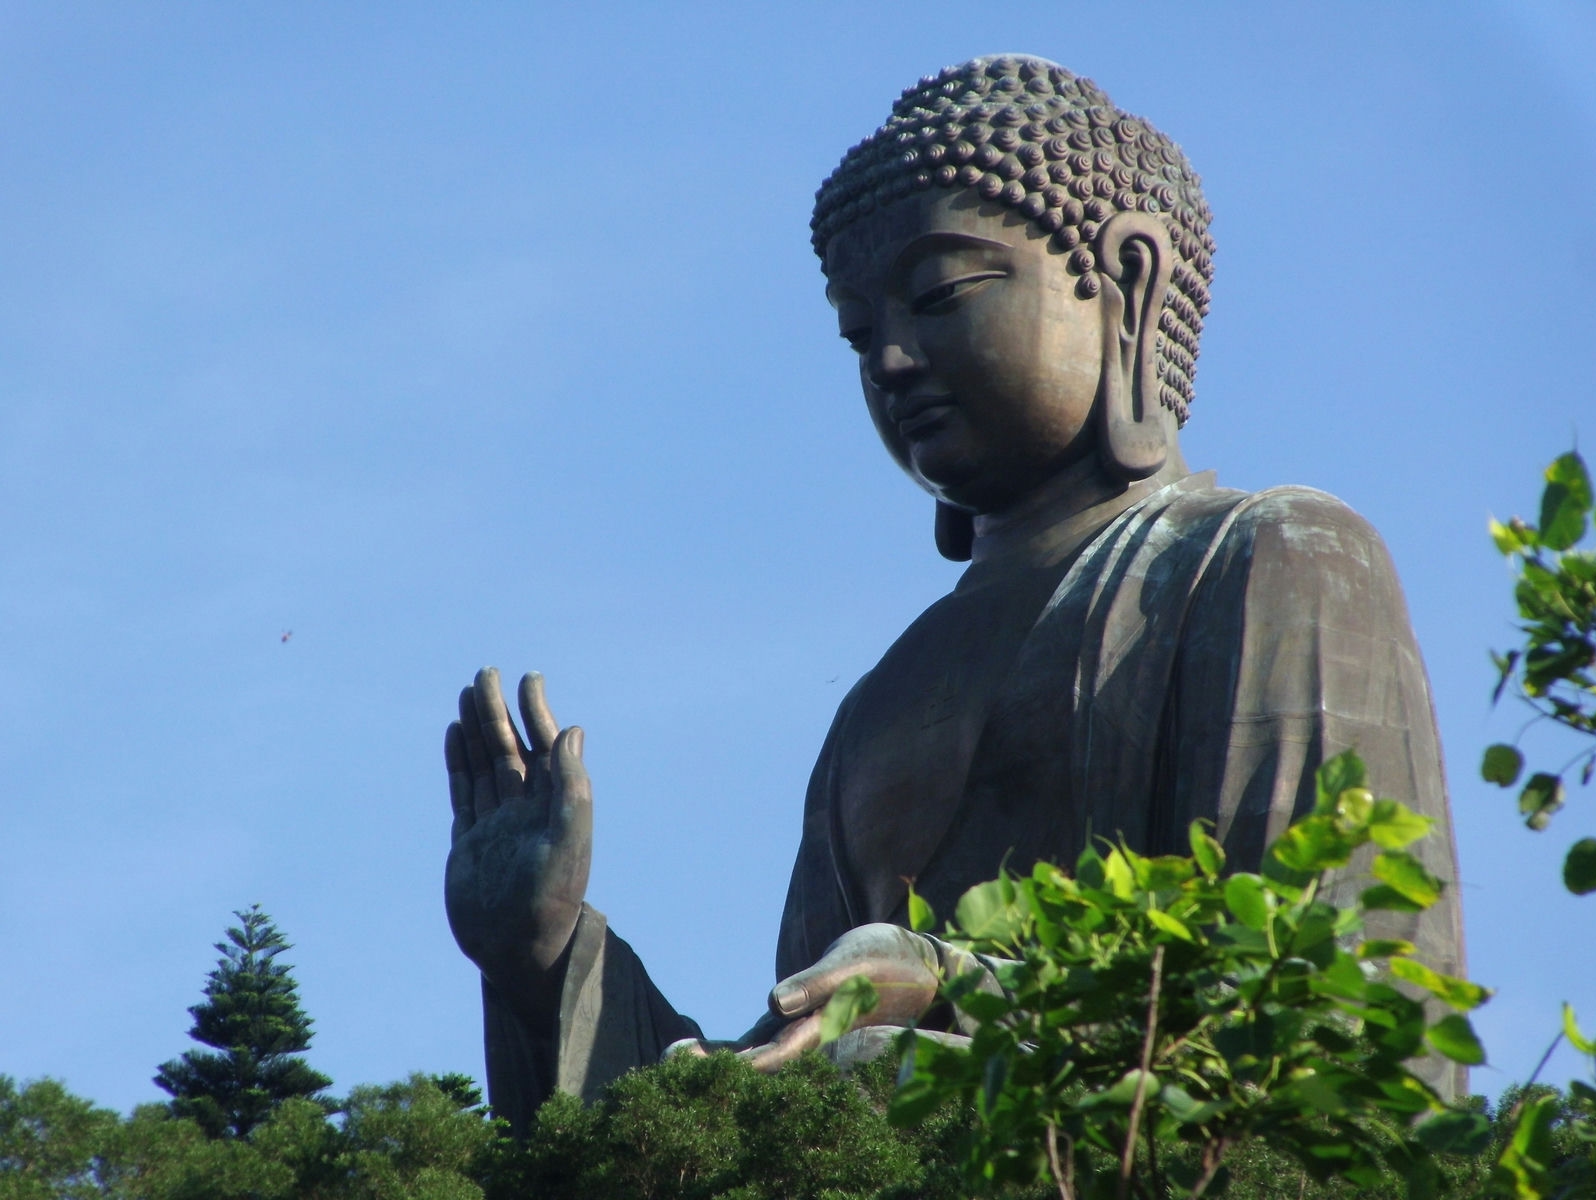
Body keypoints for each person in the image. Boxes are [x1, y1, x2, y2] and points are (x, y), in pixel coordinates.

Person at [443, 55, 1465, 1134]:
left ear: (1127, 280)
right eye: (856, 330)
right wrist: (545, 959)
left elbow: (1348, 1022)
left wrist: (951, 989)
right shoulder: (881, 702)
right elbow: (769, 1106)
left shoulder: (1272, 559)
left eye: (939, 296)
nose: (888, 357)